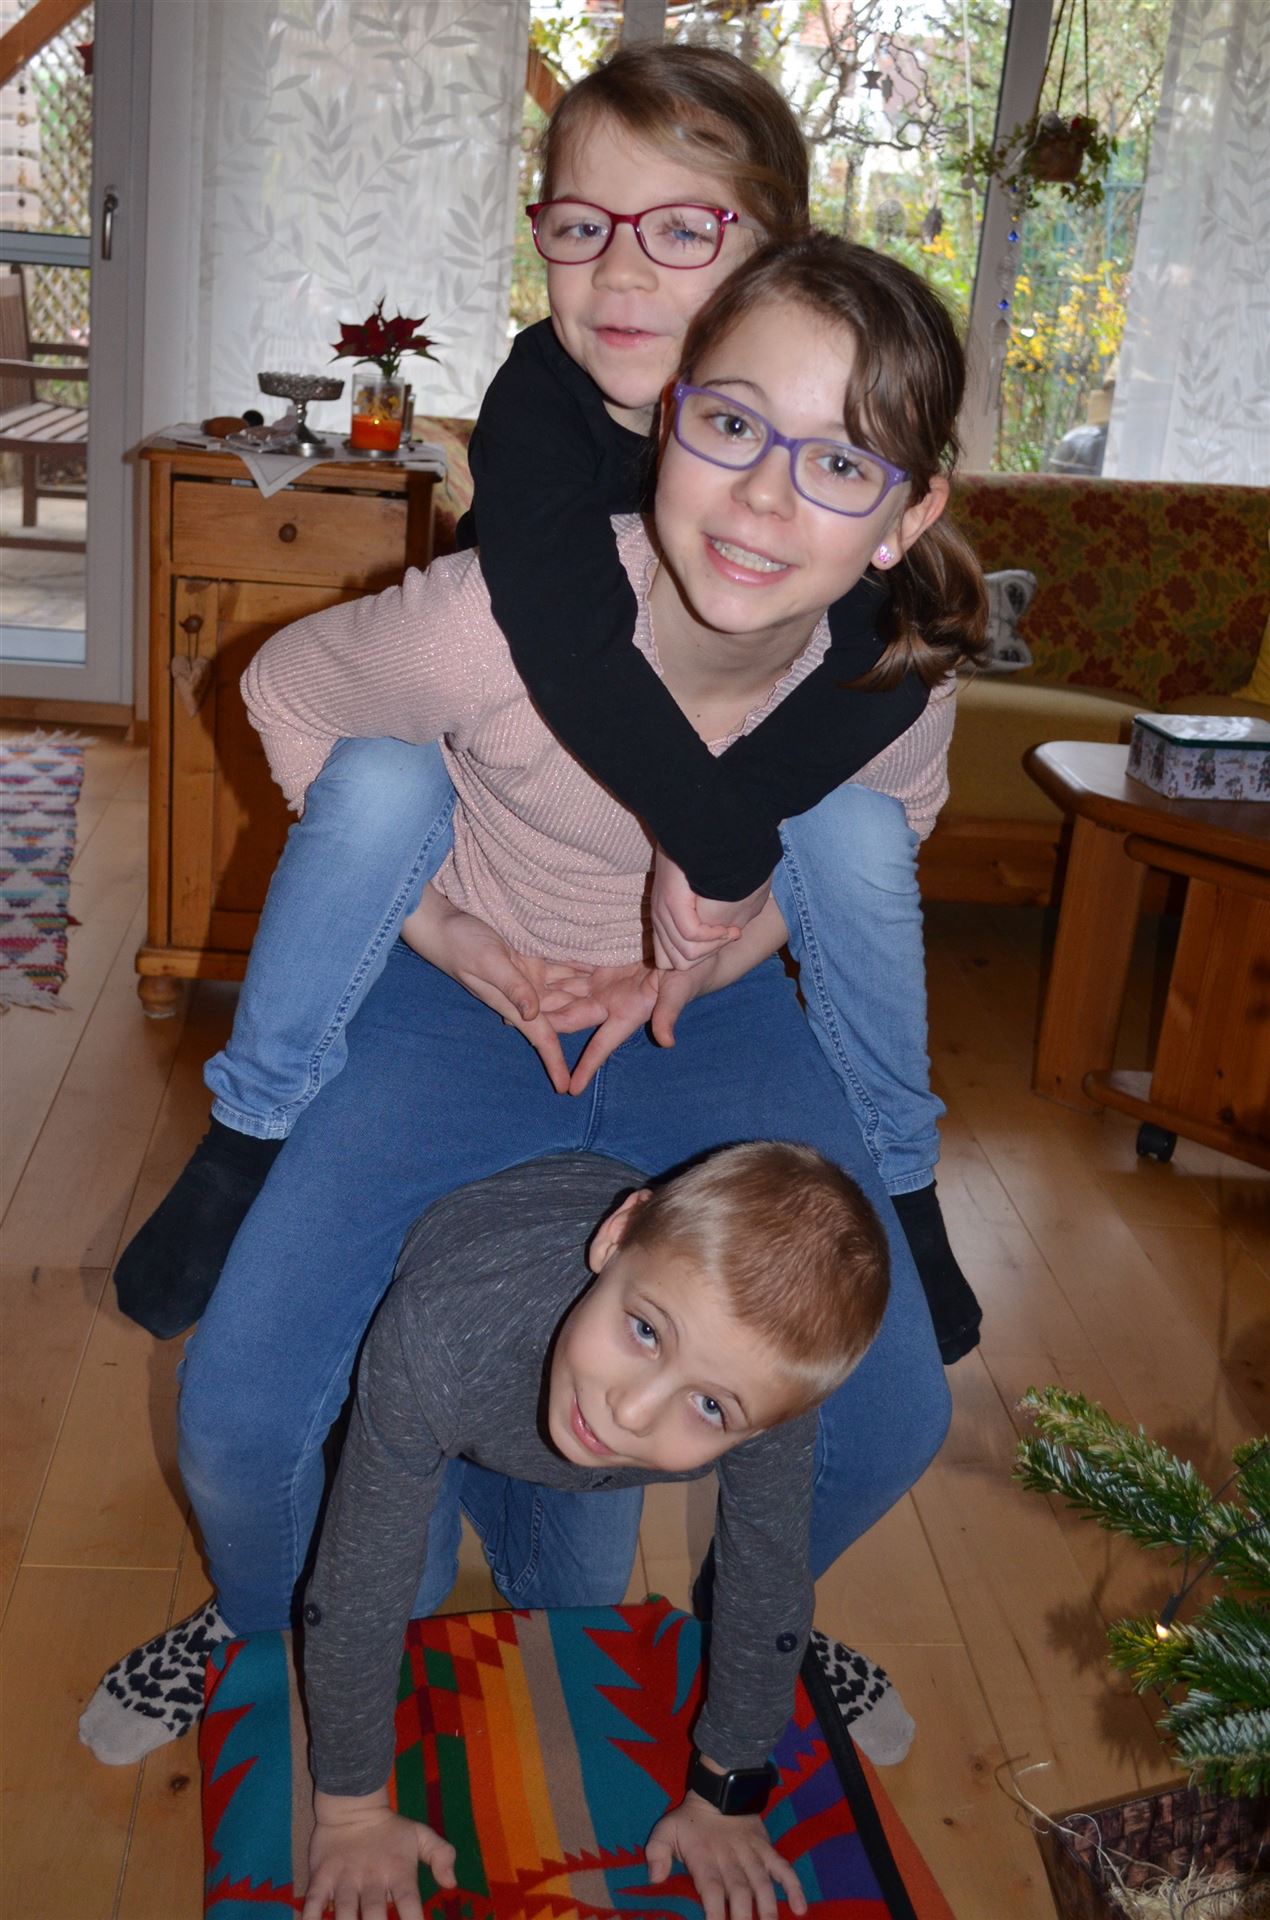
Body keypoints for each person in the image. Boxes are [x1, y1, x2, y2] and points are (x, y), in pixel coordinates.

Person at [84, 229, 978, 1766]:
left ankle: (747, 1619)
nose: (764, 498)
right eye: (732, 424)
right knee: (237, 1419)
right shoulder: (491, 614)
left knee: (898, 1413)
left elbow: (882, 831)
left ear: (909, 516)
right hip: (464, 1008)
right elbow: (282, 694)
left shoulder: (895, 672)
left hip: (707, 1024)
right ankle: (255, 1619)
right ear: (668, 417)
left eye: (841, 464)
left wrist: (701, 961)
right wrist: (440, 934)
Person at [113, 43, 981, 1364]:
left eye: (679, 229)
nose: (619, 273)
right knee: (377, 783)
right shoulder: (537, 401)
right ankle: (248, 1134)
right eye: (580, 227)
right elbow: (568, 652)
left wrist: (724, 863)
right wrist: (485, 916)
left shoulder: (823, 436)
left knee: (859, 829)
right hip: (506, 750)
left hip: (681, 863)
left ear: (780, 258)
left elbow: (895, 652)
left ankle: (902, 1180)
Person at [299, 1143, 890, 1920]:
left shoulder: (763, 1393)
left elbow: (766, 1576)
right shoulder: (440, 1327)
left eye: (711, 1406)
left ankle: (482, 1459)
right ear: (616, 1237)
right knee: (410, 1585)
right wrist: (350, 1812)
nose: (632, 1413)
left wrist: (727, 1793)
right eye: (645, 1330)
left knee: (578, 1600)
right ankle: (443, 1457)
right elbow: (358, 1585)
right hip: (445, 1367)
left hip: (520, 1398)